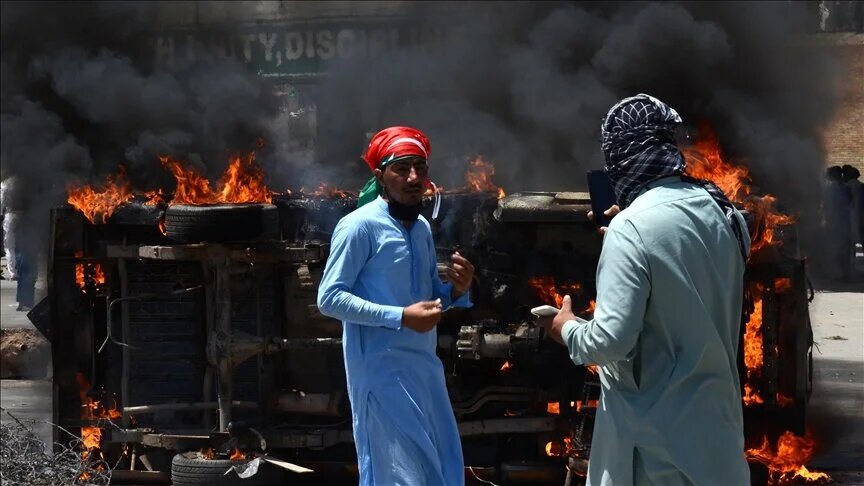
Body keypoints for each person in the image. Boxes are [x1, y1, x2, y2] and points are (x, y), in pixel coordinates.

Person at [540, 94, 751, 485]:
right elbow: (685, 256)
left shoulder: (631, 228)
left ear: (619, 154)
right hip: (717, 435)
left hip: (655, 450)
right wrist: (631, 229)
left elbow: (609, 343)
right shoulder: (726, 213)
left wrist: (565, 327)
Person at [317, 126, 475, 485]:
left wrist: (456, 291)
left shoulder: (420, 227)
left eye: (419, 167)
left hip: (424, 373)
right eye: (401, 168)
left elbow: (429, 299)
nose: (413, 177)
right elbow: (329, 298)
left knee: (442, 472)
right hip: (381, 376)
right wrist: (400, 317)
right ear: (380, 176)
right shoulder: (358, 227)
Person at [841, 164, 863, 267]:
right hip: (861, 215)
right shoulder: (861, 186)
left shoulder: (846, 186)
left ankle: (850, 262)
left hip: (850, 215)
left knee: (849, 240)